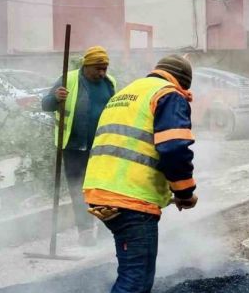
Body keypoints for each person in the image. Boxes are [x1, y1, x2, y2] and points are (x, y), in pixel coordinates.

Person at [83, 55, 198, 293]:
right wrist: (185, 194)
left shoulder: (128, 93)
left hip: (102, 192)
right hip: (131, 200)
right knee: (135, 280)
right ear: (182, 83)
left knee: (133, 272)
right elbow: (174, 148)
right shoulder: (168, 94)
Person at [41, 45, 116, 247]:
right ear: (87, 65)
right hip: (73, 147)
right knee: (79, 190)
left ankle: (104, 229)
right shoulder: (69, 79)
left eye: (105, 68)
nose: (102, 73)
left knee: (102, 189)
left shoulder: (110, 83)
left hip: (102, 147)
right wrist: (56, 98)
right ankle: (85, 231)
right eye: (98, 68)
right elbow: (45, 105)